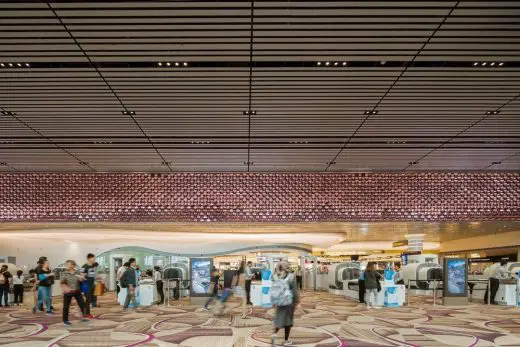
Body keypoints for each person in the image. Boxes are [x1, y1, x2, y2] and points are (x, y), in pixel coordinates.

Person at [270, 261, 299, 346]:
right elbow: (294, 290)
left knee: (279, 319)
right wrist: (297, 301)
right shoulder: (291, 276)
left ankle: (274, 334)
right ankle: (286, 340)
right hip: (288, 302)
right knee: (288, 322)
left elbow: (273, 287)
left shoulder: (275, 276)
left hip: (279, 302)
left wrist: (274, 302)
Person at [61, 260, 89, 326]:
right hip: (68, 291)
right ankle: (65, 320)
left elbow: (82, 280)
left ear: (73, 265)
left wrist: (81, 278)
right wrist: (65, 288)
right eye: (67, 264)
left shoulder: (77, 272)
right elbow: (62, 282)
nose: (68, 266)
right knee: (66, 306)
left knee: (82, 304)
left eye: (69, 264)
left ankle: (83, 318)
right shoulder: (65, 273)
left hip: (77, 290)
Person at [80, 253, 97, 318]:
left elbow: (93, 276)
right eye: (93, 258)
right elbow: (81, 275)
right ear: (89, 258)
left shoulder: (92, 266)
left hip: (92, 285)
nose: (94, 259)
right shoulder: (84, 266)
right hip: (86, 285)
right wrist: (84, 275)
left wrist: (98, 278)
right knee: (88, 299)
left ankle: (86, 312)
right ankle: (86, 313)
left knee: (90, 300)